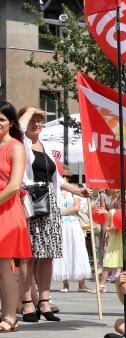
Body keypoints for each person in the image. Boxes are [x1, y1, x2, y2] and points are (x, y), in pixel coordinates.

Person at [18, 106, 91, 323]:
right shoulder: (21, 144)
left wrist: (78, 190)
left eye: (41, 120)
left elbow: (57, 179)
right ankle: (27, 302)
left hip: (50, 203)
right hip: (31, 201)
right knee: (28, 255)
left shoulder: (46, 147)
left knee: (47, 253)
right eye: (34, 119)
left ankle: (45, 300)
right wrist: (29, 109)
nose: (37, 124)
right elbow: (19, 128)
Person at [0, 101, 31, 333]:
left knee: (4, 264)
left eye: (1, 120)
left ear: (10, 122)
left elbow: (13, 186)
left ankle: (10, 315)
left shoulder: (16, 147)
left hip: (7, 209)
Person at [52, 166, 92, 292]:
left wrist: (61, 213)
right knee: (63, 251)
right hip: (61, 225)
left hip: (73, 223)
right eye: (63, 176)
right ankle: (65, 284)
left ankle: (82, 284)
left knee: (78, 250)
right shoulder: (55, 190)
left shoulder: (73, 190)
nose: (65, 178)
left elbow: (76, 207)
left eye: (66, 176)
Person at [98, 190, 126, 293]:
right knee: (107, 261)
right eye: (121, 201)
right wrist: (111, 229)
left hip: (125, 239)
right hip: (114, 239)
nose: (123, 204)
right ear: (117, 201)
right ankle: (102, 285)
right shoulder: (112, 212)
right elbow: (105, 226)